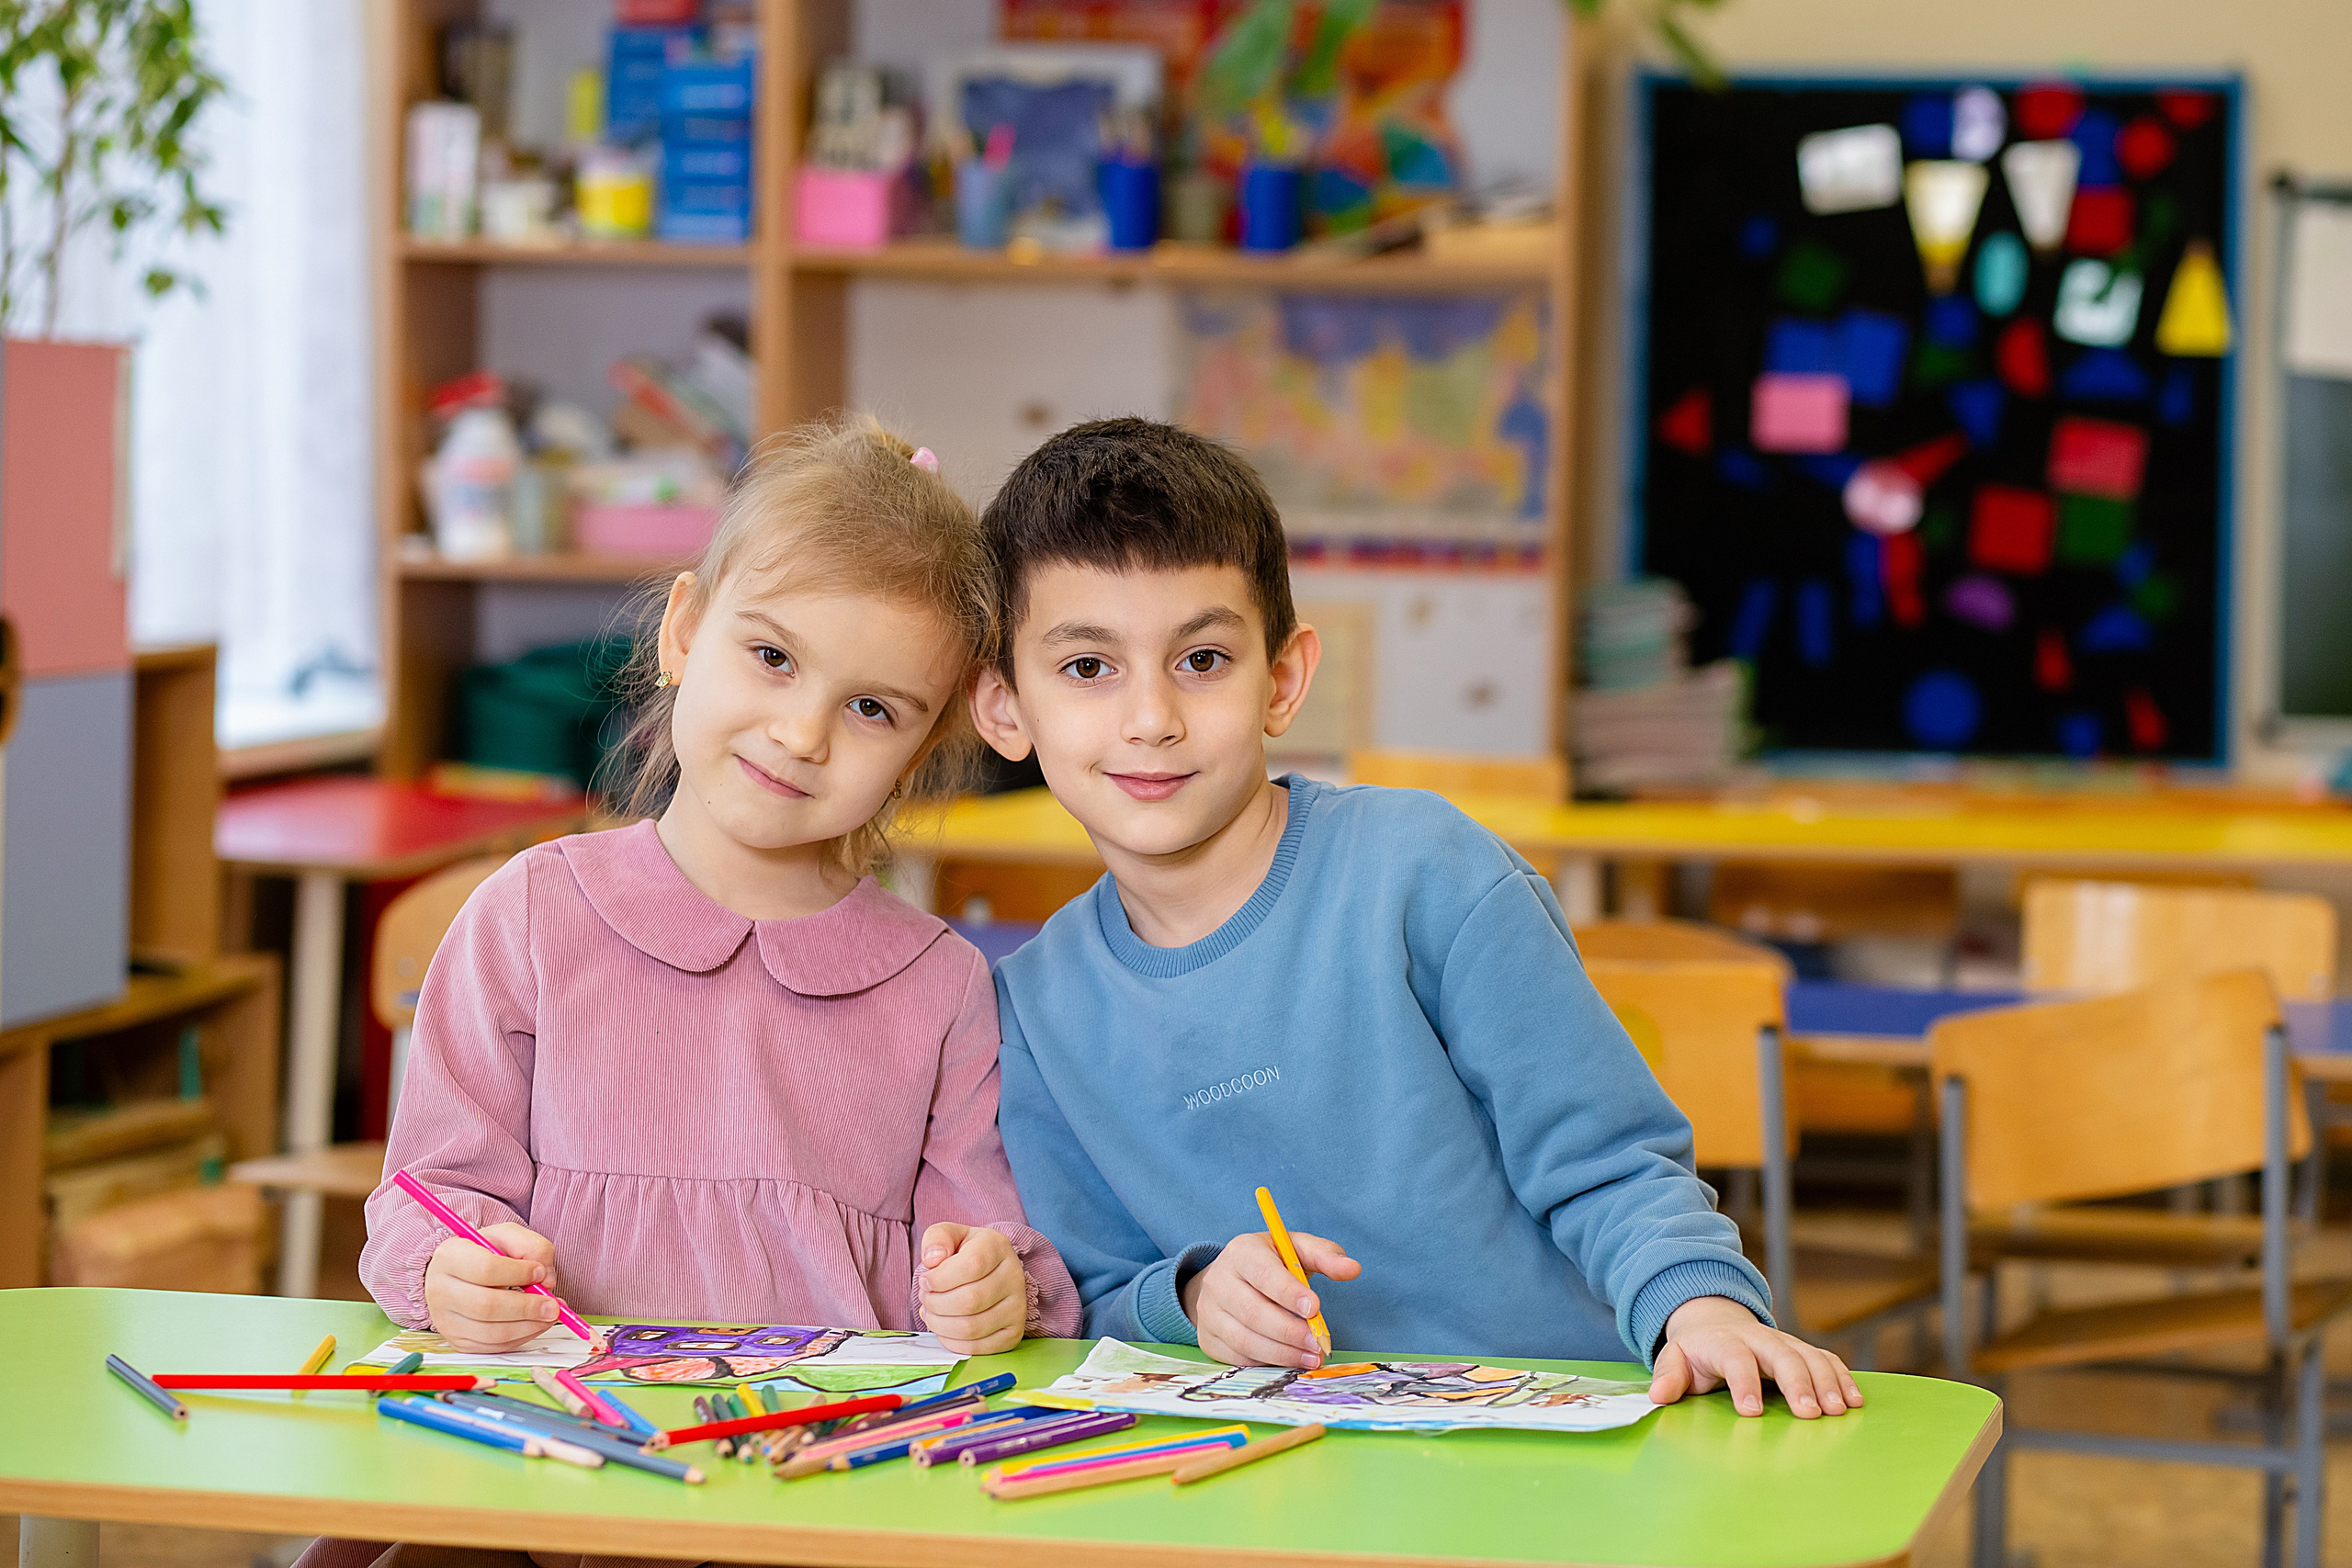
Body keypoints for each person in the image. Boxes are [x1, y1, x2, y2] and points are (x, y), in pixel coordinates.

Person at [299, 423, 1084, 1568]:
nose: (800, 731)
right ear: (682, 632)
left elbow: (985, 1249)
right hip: (536, 1480)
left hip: (808, 1511)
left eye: (872, 709)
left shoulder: (946, 988)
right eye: (771, 657)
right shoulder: (528, 918)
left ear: (919, 753)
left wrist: (987, 1289)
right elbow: (426, 1200)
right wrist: (450, 1272)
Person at [976, 417, 1859, 1420]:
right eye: (1088, 667)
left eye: (1203, 659)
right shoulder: (1032, 1011)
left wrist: (1698, 1310)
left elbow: (1605, 1159)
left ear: (1284, 679)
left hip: (1562, 1436)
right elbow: (1079, 1289)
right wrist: (1189, 1298)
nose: (1150, 719)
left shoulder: (1424, 874)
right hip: (1290, 1483)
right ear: (1005, 709)